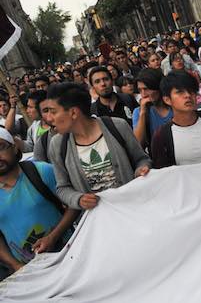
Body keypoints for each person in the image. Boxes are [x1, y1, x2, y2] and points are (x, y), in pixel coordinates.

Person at [45, 83, 151, 210]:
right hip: (99, 219)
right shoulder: (57, 145)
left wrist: (142, 169)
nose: (49, 118)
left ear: (73, 112)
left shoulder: (117, 126)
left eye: (53, 112)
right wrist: (78, 199)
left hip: (134, 208)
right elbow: (62, 188)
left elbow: (141, 159)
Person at [0, 128, 79, 280]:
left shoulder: (41, 171)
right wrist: (16, 265)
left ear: (15, 147)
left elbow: (74, 204)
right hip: (30, 273)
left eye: (1, 147)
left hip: (68, 255)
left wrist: (53, 237)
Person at [133, 69, 173, 148]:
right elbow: (138, 143)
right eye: (140, 90)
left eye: (146, 89)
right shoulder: (139, 112)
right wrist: (142, 114)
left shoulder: (174, 105)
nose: (143, 94)